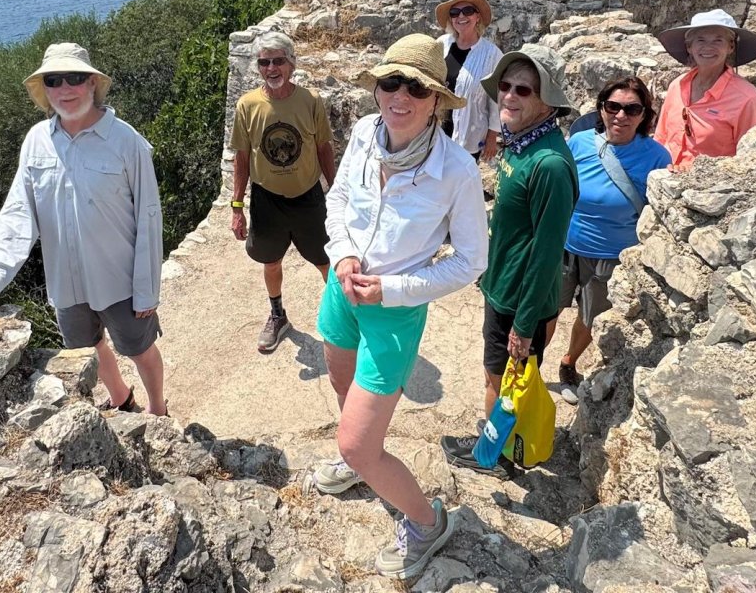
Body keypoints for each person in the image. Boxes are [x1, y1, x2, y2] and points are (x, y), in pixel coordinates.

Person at [304, 34, 488, 579]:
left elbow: (470, 262)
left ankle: (429, 522)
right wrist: (342, 257)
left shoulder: (456, 170)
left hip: (394, 309)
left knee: (358, 444)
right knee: (341, 381)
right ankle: (360, 461)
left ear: (436, 100)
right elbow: (337, 200)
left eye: (416, 87)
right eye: (390, 83)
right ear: (377, 88)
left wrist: (393, 289)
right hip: (343, 287)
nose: (399, 97)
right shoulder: (364, 132)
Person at [0, 42, 167, 416]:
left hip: (118, 277)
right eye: (54, 80)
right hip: (66, 281)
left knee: (139, 349)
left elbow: (150, 216)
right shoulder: (36, 140)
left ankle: (158, 409)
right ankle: (122, 400)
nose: (65, 88)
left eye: (75, 78)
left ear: (92, 85)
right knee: (88, 348)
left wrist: (146, 288)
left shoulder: (126, 142)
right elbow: (19, 210)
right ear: (45, 90)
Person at [440, 44, 579, 477]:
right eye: (504, 86)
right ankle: (497, 444)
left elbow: (547, 253)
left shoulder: (550, 164)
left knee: (499, 380)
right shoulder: (520, 145)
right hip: (503, 285)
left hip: (520, 299)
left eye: (523, 89)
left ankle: (494, 454)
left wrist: (524, 323)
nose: (509, 96)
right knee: (499, 376)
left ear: (545, 101)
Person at [556, 78, 670, 404]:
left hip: (611, 254)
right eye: (613, 106)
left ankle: (568, 364)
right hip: (566, 246)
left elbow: (659, 211)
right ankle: (526, 371)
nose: (621, 115)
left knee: (591, 317)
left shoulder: (656, 157)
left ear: (644, 115)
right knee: (546, 310)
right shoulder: (578, 143)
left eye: (632, 109)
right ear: (601, 108)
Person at [229, 31, 336, 352]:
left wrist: (338, 190)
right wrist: (236, 206)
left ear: (291, 64)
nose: (271, 68)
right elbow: (242, 158)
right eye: (264, 62)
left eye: (278, 61)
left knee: (327, 262)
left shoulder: (310, 101)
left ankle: (342, 318)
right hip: (267, 200)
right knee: (271, 261)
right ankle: (277, 315)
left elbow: (323, 147)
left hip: (308, 198)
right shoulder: (247, 106)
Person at [654, 9, 756, 170]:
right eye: (700, 40)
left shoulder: (749, 100)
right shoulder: (678, 85)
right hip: (662, 182)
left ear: (730, 47)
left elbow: (751, 161)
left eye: (718, 40)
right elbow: (661, 138)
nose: (708, 47)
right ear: (689, 47)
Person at [435, 0, 503, 162]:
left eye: (468, 11)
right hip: (435, 129)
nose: (461, 16)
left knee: (460, 181)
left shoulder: (492, 55)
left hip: (470, 133)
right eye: (455, 13)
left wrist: (492, 137)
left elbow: (496, 99)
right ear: (451, 19)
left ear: (477, 17)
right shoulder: (442, 44)